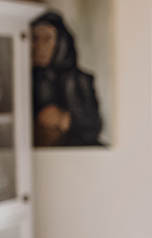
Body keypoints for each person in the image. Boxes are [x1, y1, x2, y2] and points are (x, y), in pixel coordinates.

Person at [31, 11, 102, 146]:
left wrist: (64, 119)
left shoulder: (79, 79)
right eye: (34, 39)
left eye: (46, 39)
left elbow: (94, 125)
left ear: (61, 42)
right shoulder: (23, 79)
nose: (38, 47)